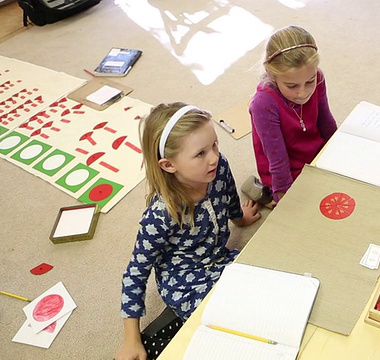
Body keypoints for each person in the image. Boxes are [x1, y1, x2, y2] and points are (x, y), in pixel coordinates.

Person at [116, 102, 261, 360]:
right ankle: (168, 329)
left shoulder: (219, 168)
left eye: (215, 145)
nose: (214, 156)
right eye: (200, 153)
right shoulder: (160, 215)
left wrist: (239, 219)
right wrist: (131, 339)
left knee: (263, 283)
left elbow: (229, 197)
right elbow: (135, 273)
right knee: (228, 330)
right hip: (183, 277)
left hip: (218, 258)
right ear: (169, 165)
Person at [248, 25, 337, 204]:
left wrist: (337, 151)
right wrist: (283, 196)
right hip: (286, 168)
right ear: (271, 74)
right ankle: (267, 194)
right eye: (292, 86)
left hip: (315, 152)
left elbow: (326, 121)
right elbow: (277, 159)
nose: (302, 93)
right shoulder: (263, 103)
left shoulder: (318, 77)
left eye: (309, 81)